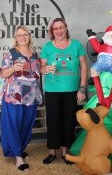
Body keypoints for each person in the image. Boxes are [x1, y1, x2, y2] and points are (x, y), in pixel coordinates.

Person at [40, 18, 87, 165]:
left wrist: (82, 88)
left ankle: (66, 153)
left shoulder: (77, 45)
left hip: (72, 90)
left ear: (66, 28)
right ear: (52, 31)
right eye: (55, 29)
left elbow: (84, 67)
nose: (59, 31)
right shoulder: (47, 47)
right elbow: (41, 69)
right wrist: (45, 69)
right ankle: (52, 152)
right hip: (52, 90)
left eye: (61, 27)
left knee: (68, 121)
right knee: (53, 121)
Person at [0, 26, 43, 171]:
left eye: (25, 34)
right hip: (14, 96)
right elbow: (3, 74)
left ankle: (20, 148)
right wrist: (13, 69)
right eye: (19, 35)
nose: (23, 37)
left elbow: (37, 73)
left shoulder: (35, 54)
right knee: (14, 125)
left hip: (31, 96)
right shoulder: (10, 53)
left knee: (26, 125)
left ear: (29, 36)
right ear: (16, 38)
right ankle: (18, 157)